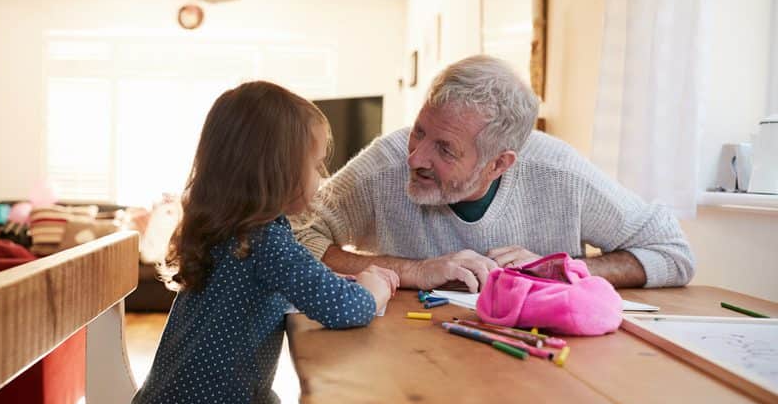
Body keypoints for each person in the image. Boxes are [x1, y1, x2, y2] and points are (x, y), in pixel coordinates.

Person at [76, 81, 399, 404]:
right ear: (280, 171)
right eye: (315, 162)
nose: (321, 173)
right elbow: (345, 309)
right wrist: (373, 287)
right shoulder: (265, 239)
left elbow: (296, 290)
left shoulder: (227, 231)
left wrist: (339, 288)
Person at [294, 55, 695, 292]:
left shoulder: (559, 173)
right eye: (419, 131)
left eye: (445, 149)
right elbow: (293, 235)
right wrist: (415, 271)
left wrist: (564, 270)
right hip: (407, 362)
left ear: (499, 163)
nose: (415, 156)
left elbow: (672, 252)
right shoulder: (385, 164)